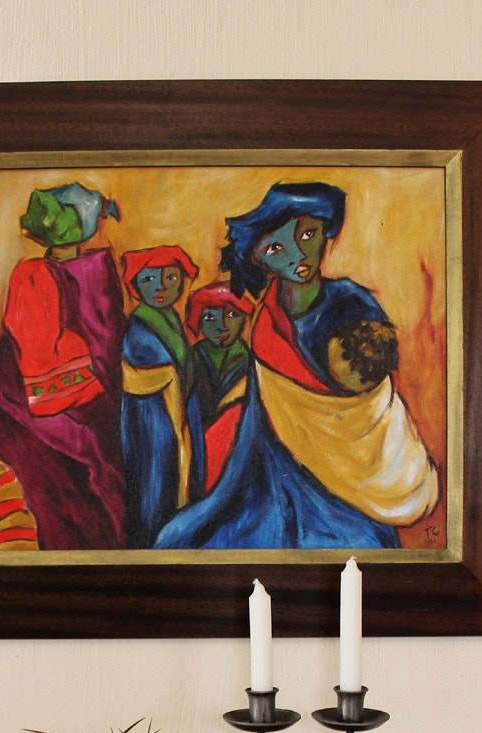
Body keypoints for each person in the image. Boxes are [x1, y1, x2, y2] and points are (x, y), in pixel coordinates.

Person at [155, 182, 438, 550]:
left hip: (348, 475)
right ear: (258, 259)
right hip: (271, 470)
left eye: (308, 235)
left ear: (326, 232)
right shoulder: (267, 318)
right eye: (277, 248)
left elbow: (370, 382)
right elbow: (260, 416)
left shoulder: (351, 303)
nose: (299, 255)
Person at [0, 182, 128, 551]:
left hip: (77, 419)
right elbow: (41, 360)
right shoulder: (34, 277)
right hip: (32, 414)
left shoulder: (94, 275)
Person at [119, 245, 200, 547]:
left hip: (172, 417)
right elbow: (137, 377)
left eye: (171, 278)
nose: (161, 287)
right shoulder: (139, 326)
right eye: (149, 279)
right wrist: (168, 376)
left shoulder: (171, 320)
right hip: (150, 424)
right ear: (136, 286)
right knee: (153, 486)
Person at [183, 281, 254, 493]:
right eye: (209, 318)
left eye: (232, 315)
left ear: (244, 319)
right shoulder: (191, 359)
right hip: (198, 455)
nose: (222, 325)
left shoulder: (253, 364)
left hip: (238, 458)